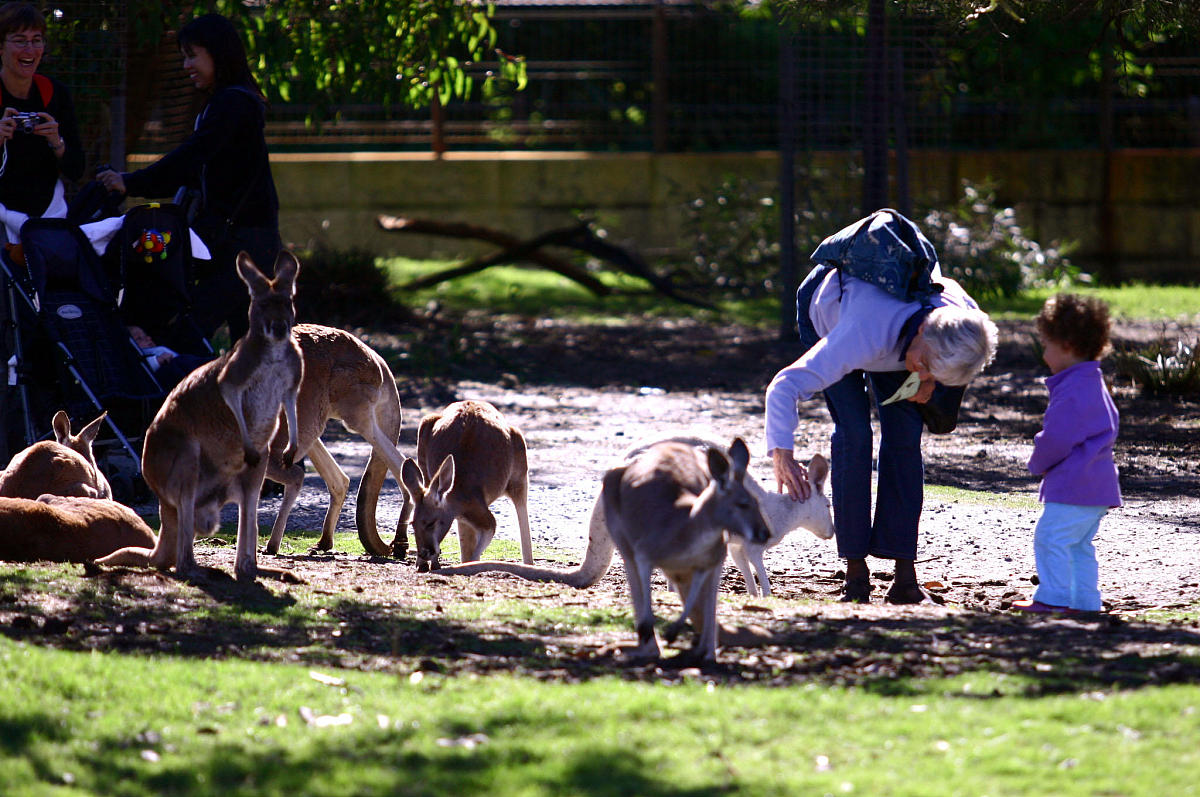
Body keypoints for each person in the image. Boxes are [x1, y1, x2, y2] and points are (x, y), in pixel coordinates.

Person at [765, 210, 998, 604]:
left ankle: (905, 578)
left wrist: (928, 378)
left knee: (904, 440)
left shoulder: (963, 319)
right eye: (925, 365)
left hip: (898, 339)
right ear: (923, 330)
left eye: (934, 374)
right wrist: (782, 452)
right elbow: (784, 386)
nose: (923, 374)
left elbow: (943, 365)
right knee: (855, 434)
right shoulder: (860, 333)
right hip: (832, 313)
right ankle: (855, 574)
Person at [97, 13, 280, 343]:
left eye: (192, 55)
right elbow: (196, 169)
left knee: (191, 330)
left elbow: (191, 157)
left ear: (218, 53)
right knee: (246, 344)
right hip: (244, 241)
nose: (185, 66)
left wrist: (131, 182)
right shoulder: (227, 101)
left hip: (243, 244)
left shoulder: (233, 102)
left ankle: (183, 392)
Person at [1013, 294, 1121, 614]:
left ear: (1068, 345)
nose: (1043, 352)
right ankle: (1085, 601)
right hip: (1096, 486)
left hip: (1075, 484)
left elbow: (1057, 440)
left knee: (1051, 539)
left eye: (1047, 344)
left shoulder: (1073, 390)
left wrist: (1038, 462)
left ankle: (1053, 598)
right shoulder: (1092, 382)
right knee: (1078, 546)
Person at [0, 2, 84, 233]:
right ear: (1, 47)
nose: (30, 49)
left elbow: (77, 170)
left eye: (36, 40)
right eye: (20, 40)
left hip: (47, 213)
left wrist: (57, 143)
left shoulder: (55, 94)